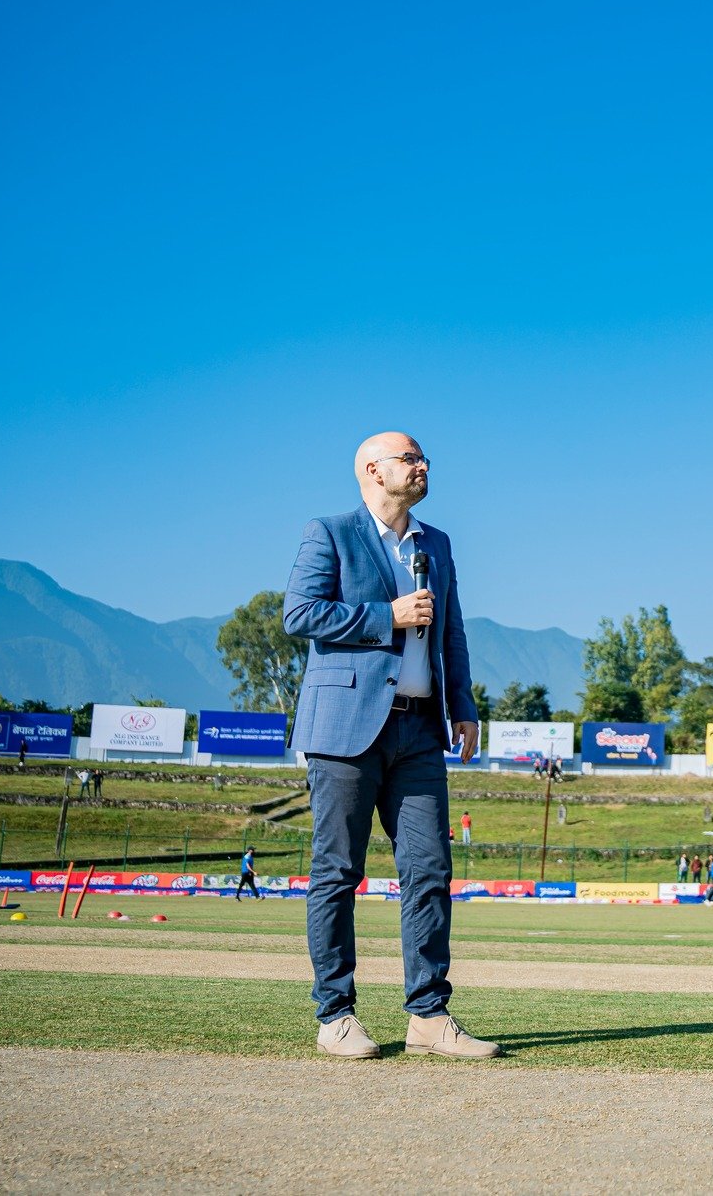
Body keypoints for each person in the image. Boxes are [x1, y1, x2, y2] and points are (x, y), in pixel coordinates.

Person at [282, 431, 496, 1061]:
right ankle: (335, 1015)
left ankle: (428, 1015)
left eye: (423, 458)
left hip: (420, 729)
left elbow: (451, 629)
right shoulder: (329, 532)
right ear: (374, 471)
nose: (423, 465)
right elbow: (300, 614)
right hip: (344, 728)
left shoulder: (437, 544)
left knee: (429, 871)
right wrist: (388, 616)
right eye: (410, 458)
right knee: (338, 871)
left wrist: (463, 704)